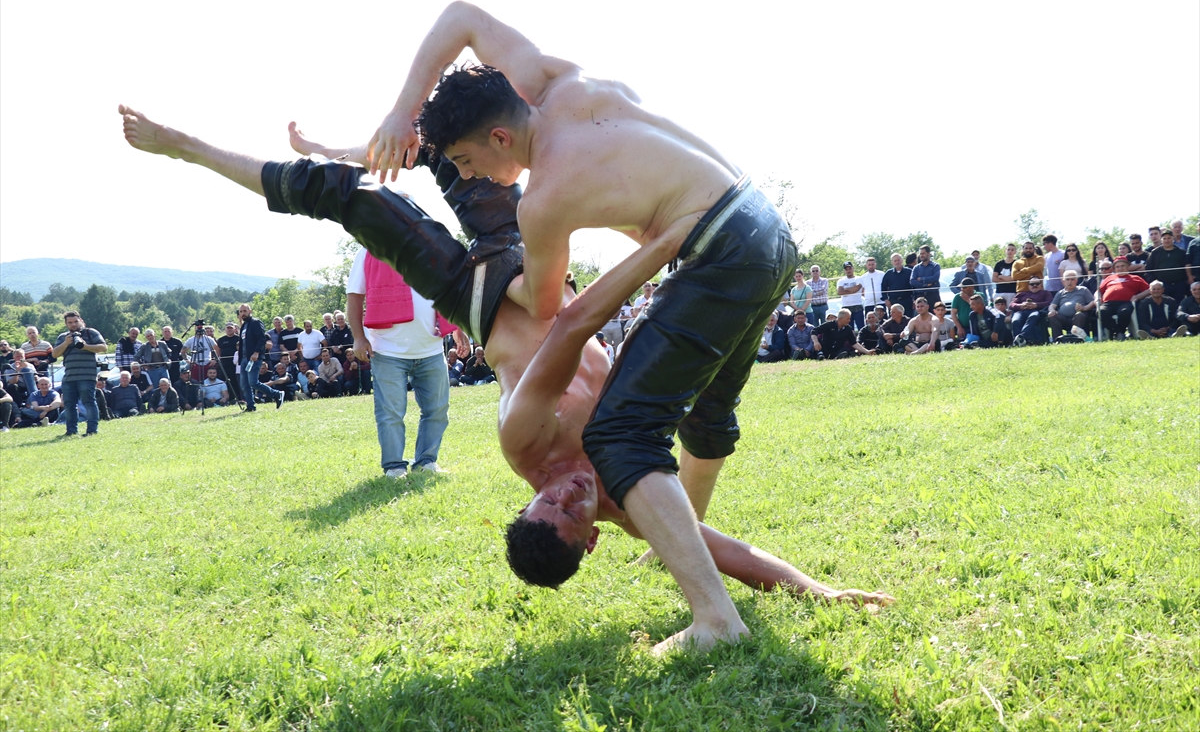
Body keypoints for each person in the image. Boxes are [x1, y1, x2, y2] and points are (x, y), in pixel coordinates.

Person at [120, 102, 890, 654]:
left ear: (530, 498)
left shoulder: (523, 438)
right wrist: (824, 593)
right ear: (591, 542)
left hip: (479, 293)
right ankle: (256, 149)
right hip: (531, 269)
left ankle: (195, 144)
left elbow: (579, 323)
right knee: (438, 161)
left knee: (372, 185)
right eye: (569, 510)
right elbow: (732, 553)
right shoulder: (624, 494)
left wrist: (664, 244)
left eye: (546, 500)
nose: (566, 492)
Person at [346, 246, 453, 477]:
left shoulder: (431, 248)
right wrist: (358, 337)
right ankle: (394, 467)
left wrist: (457, 328)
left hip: (431, 347)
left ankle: (426, 462)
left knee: (437, 410)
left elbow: (447, 291)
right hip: (387, 350)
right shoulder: (369, 250)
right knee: (391, 412)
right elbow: (354, 296)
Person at [50, 310, 106, 437]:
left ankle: (92, 430)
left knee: (89, 402)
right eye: (70, 322)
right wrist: (66, 343)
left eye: (76, 321)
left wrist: (85, 346)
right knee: (69, 404)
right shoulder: (62, 337)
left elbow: (103, 347)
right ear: (66, 324)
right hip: (69, 376)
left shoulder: (91, 333)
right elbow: (54, 354)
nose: (73, 324)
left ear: (80, 320)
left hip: (87, 375)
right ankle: (71, 431)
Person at [238, 303, 282, 411]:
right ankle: (250, 406)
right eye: (241, 311)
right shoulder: (244, 326)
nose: (243, 313)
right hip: (244, 359)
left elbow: (262, 338)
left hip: (254, 358)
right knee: (244, 385)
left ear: (250, 311)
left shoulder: (256, 322)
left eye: (245, 311)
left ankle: (276, 394)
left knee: (253, 382)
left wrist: (256, 352)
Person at [1097, 257, 1150, 340]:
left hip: (1125, 302)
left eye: (1122, 266)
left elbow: (1149, 290)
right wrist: (1097, 298)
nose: (1120, 268)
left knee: (1124, 312)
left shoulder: (1136, 278)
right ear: (1114, 269)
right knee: (1100, 312)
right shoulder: (1109, 278)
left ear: (1128, 267)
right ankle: (1118, 332)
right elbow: (1098, 291)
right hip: (1108, 303)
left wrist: (1138, 296)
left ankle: (1119, 333)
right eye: (1117, 267)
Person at [1047, 270, 1096, 340]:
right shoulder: (1060, 293)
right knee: (1053, 316)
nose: (1070, 282)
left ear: (1076, 281)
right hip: (1063, 318)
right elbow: (1052, 305)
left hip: (1079, 316)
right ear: (1063, 281)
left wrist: (1084, 308)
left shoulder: (1083, 290)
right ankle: (1057, 339)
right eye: (1067, 279)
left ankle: (1076, 338)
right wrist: (1052, 310)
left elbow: (1092, 302)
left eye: (1072, 279)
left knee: (1079, 315)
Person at [1145, 230, 1189, 302]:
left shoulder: (1181, 252)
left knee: (1178, 304)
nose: (1167, 240)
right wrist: (1153, 282)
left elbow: (1187, 267)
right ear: (1161, 240)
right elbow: (1148, 268)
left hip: (1179, 284)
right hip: (1161, 285)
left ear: (1173, 239)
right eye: (1164, 238)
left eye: (1169, 238)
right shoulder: (1155, 252)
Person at [1010, 276, 1054, 346]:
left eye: (1037, 283)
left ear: (1041, 284)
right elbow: (1011, 305)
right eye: (1032, 284)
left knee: (1034, 316)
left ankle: (1021, 338)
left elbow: (1050, 302)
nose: (1035, 286)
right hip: (1021, 311)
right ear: (1028, 286)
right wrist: (1021, 305)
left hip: (1035, 311)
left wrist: (1036, 305)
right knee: (1015, 320)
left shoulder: (1045, 293)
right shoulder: (1022, 294)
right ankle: (1020, 341)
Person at [214, 322, 242, 400]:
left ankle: (238, 397)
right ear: (225, 329)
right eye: (228, 328)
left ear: (234, 329)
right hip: (224, 364)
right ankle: (227, 398)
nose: (229, 330)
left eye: (231, 328)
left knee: (235, 381)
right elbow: (218, 350)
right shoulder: (221, 339)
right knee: (224, 381)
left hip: (236, 364)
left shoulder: (238, 338)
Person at [881, 253, 914, 317]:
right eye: (895, 261)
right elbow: (883, 288)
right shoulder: (888, 273)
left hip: (907, 301)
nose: (897, 262)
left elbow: (914, 287)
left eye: (898, 260)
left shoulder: (909, 272)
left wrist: (914, 300)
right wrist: (886, 300)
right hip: (893, 302)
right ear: (892, 262)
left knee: (908, 321)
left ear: (902, 261)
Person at [836, 261, 866, 330]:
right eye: (846, 269)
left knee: (861, 326)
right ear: (844, 270)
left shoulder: (859, 278)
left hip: (857, 305)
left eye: (850, 268)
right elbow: (840, 292)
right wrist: (852, 290)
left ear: (853, 268)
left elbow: (857, 288)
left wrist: (845, 289)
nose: (848, 270)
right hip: (846, 307)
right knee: (848, 328)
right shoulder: (841, 281)